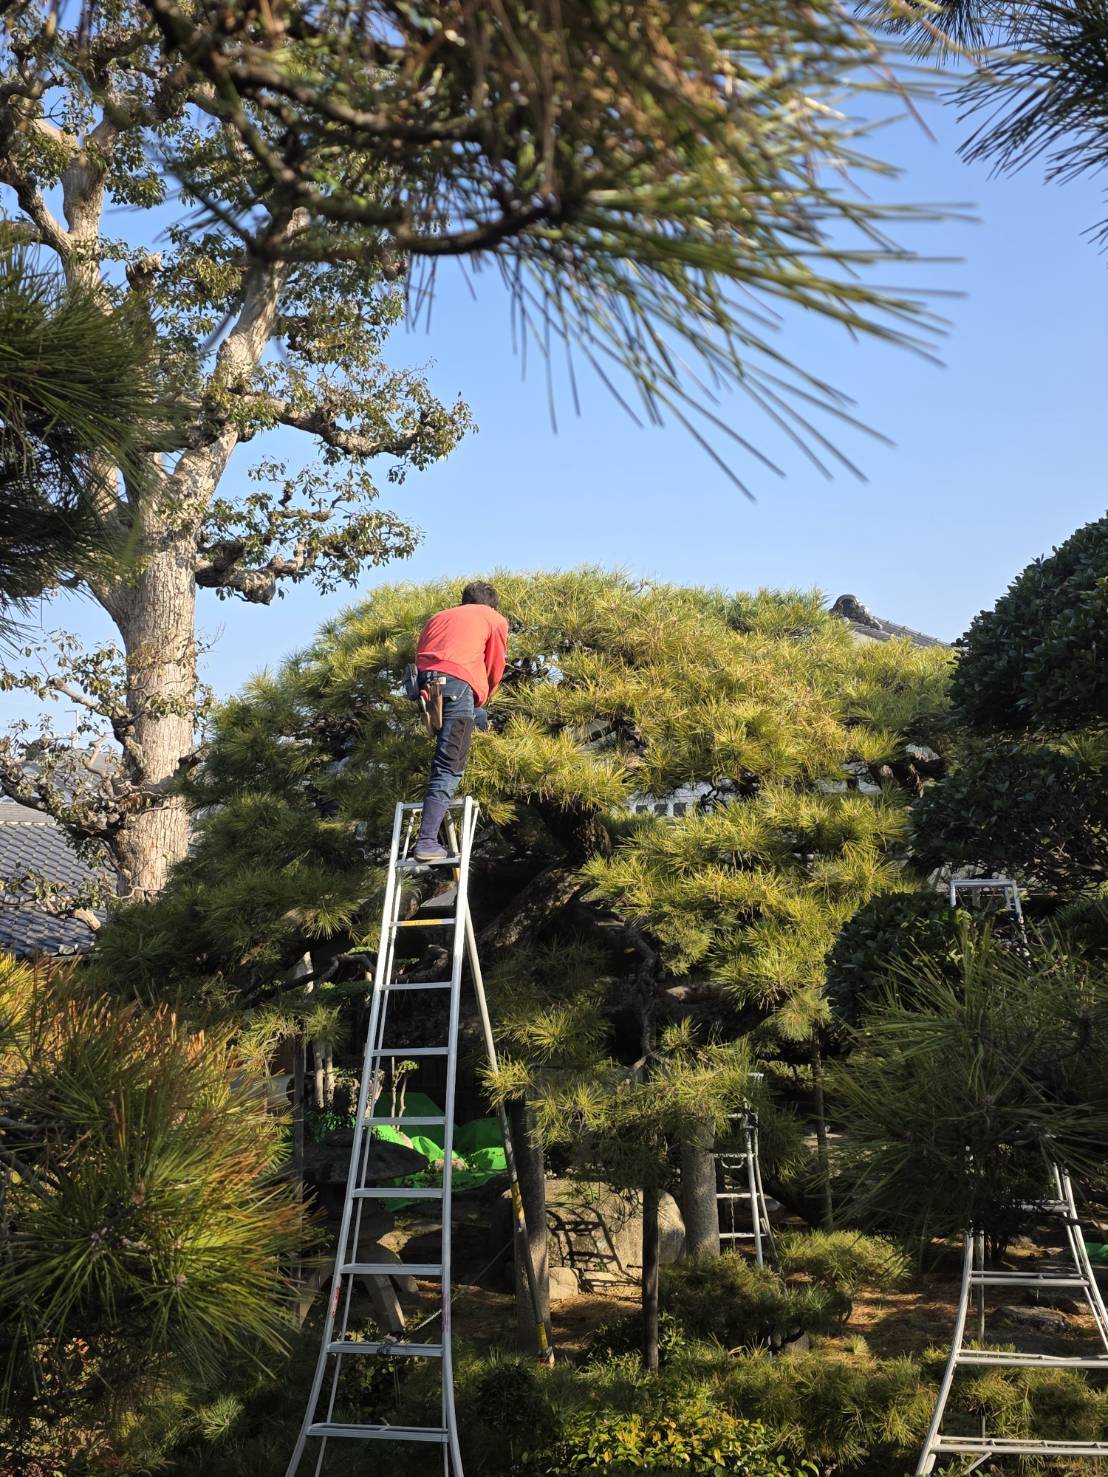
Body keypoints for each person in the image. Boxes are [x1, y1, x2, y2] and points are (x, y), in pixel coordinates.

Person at [412, 581, 508, 861]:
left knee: (477, 718)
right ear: (491, 605)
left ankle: (481, 734)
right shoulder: (493, 618)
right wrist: (486, 692)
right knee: (449, 764)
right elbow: (494, 666)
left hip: (428, 687)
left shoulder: (438, 617)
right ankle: (427, 841)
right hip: (458, 683)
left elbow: (422, 656)